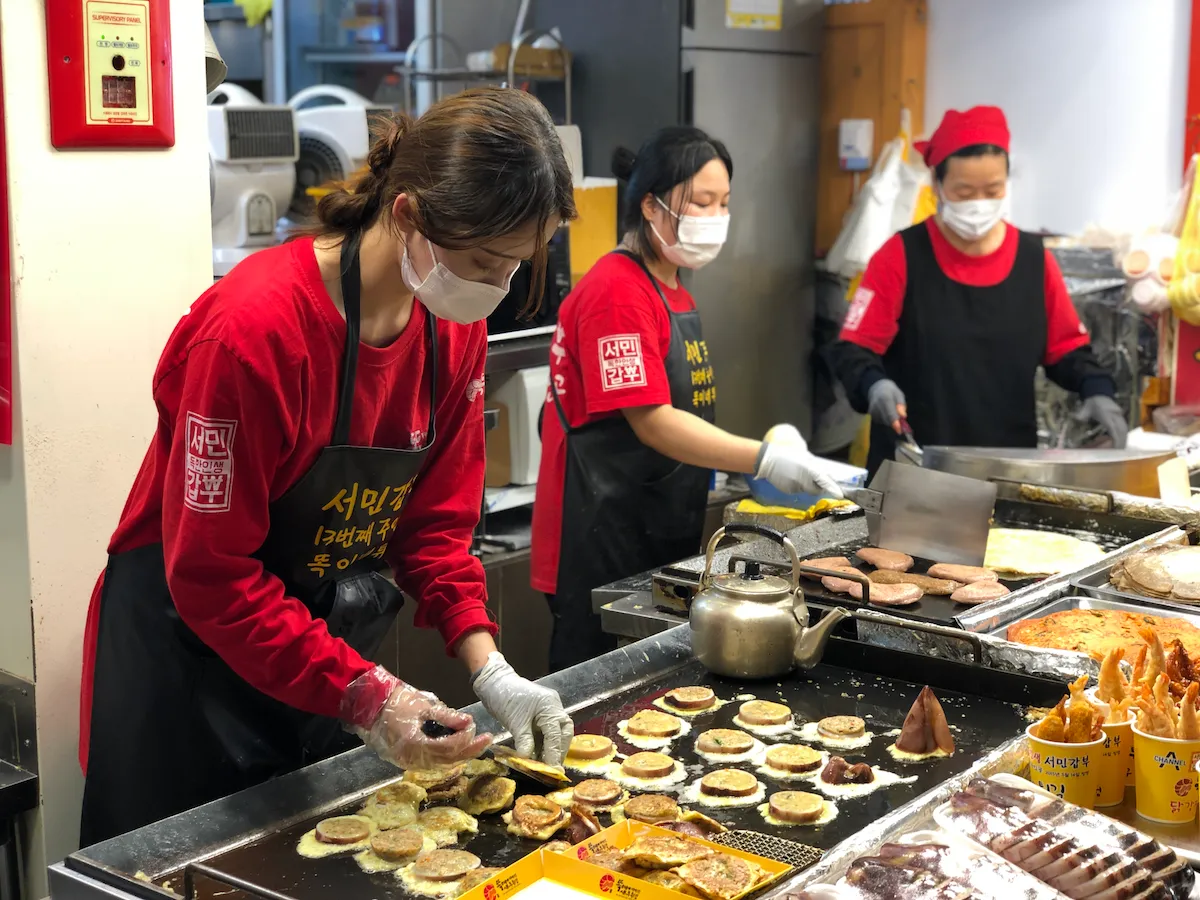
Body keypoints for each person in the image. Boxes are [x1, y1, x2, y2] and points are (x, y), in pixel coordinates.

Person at [78, 87, 577, 845]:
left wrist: (490, 666)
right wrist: (370, 699)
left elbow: (435, 532)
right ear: (407, 215)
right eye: (483, 261)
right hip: (185, 664)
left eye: (514, 266)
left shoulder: (450, 329)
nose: (496, 287)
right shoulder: (252, 334)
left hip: (305, 655)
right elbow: (211, 575)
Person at [530, 126, 842, 673]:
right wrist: (762, 458)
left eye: (724, 203)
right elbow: (653, 421)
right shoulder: (616, 292)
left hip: (648, 523)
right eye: (701, 202)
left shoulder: (669, 288)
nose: (716, 215)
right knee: (596, 701)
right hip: (597, 537)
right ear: (651, 205)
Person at [832, 105, 1128, 477]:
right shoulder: (900, 256)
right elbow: (853, 349)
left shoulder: (1034, 260)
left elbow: (1065, 349)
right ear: (937, 186)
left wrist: (1096, 387)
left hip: (1006, 469)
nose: (978, 203)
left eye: (992, 190)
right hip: (914, 468)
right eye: (964, 191)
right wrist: (874, 385)